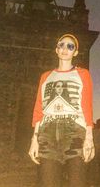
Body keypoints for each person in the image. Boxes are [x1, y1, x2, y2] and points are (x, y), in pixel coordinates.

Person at [28, 34, 94, 187]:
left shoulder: (83, 74)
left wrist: (89, 138)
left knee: (77, 183)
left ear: (75, 52)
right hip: (47, 133)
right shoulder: (45, 77)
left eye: (70, 46)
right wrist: (34, 140)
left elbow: (87, 106)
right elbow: (39, 108)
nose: (65, 48)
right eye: (61, 45)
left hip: (74, 132)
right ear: (56, 50)